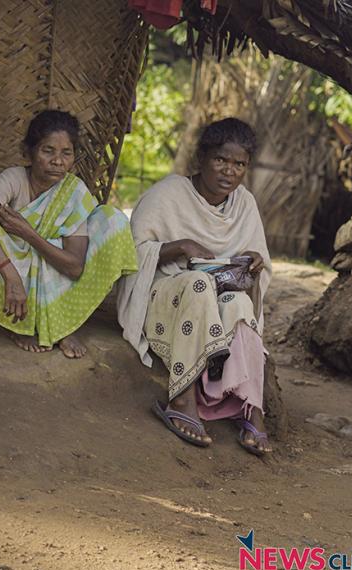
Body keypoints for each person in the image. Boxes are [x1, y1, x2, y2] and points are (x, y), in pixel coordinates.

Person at [117, 118, 273, 456]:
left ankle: (252, 407)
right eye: (220, 160)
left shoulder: (244, 204)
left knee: (240, 305)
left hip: (218, 301)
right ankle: (182, 397)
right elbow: (130, 255)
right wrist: (178, 247)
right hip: (165, 299)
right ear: (200, 158)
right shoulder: (167, 194)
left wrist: (253, 262)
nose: (229, 171)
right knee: (199, 283)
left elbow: (260, 268)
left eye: (239, 164)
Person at [0, 110, 138, 357]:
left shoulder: (73, 193)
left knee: (114, 220)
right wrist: (11, 277)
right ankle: (20, 323)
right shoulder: (15, 179)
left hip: (49, 279)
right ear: (28, 152)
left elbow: (74, 267)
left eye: (66, 153)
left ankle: (61, 323)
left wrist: (28, 233)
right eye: (48, 151)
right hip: (4, 293)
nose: (58, 161)